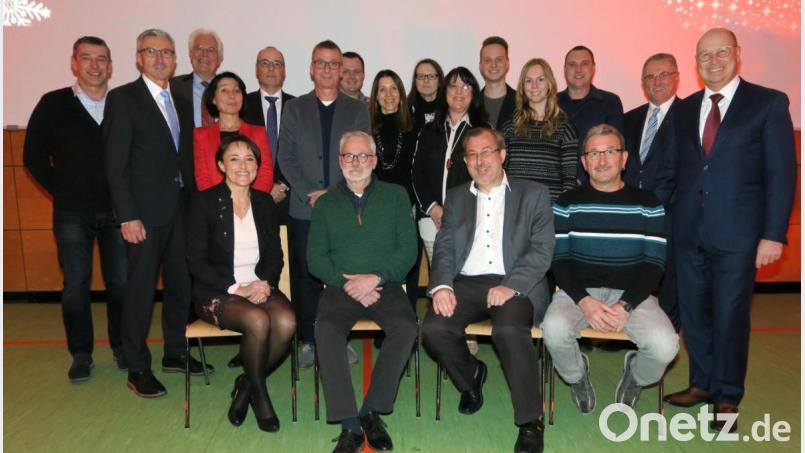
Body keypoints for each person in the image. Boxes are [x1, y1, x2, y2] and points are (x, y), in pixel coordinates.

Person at [659, 28, 796, 432]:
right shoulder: (684, 109)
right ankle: (701, 383)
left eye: (721, 52)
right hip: (688, 233)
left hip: (740, 237)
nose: (713, 61)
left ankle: (727, 395)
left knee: (730, 315)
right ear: (696, 62)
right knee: (693, 313)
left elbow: (781, 174)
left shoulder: (768, 103)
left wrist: (773, 234)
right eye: (705, 55)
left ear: (737, 53)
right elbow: (674, 172)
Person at [422, 127, 553, 453]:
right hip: (468, 282)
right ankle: (471, 376)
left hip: (515, 282)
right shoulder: (456, 197)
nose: (480, 161)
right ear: (465, 161)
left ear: (502, 155)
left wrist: (511, 286)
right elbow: (445, 247)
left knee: (508, 329)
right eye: (472, 155)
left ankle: (530, 420)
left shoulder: (533, 193)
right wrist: (442, 286)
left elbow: (542, 249)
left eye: (487, 152)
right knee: (435, 328)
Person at [542, 124, 678, 415]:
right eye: (594, 153)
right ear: (584, 161)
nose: (602, 160)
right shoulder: (566, 203)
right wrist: (585, 301)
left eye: (610, 152)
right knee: (553, 330)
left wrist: (625, 305)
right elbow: (558, 259)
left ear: (624, 158)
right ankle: (577, 375)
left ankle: (636, 375)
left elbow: (655, 263)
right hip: (578, 294)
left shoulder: (649, 203)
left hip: (633, 296)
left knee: (666, 346)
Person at [103, 28, 209, 398]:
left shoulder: (179, 98)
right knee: (141, 292)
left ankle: (175, 353)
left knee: (181, 286)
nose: (160, 58)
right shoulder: (123, 99)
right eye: (151, 52)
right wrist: (127, 216)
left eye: (166, 52)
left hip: (181, 209)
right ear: (138, 58)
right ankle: (137, 367)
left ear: (175, 59)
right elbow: (115, 164)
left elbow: (183, 155)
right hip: (143, 216)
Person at [23, 36, 127, 383]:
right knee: (76, 286)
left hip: (118, 211)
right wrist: (63, 191)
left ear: (110, 66)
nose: (94, 66)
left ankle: (122, 347)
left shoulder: (122, 103)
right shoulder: (53, 103)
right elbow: (33, 156)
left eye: (101, 59)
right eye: (86, 58)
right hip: (72, 213)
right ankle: (81, 354)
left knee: (121, 283)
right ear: (74, 63)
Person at [308, 131, 418, 453]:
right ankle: (349, 424)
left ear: (375, 160)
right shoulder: (325, 204)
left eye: (363, 156)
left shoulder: (396, 196)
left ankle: (371, 410)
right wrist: (349, 284)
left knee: (406, 327)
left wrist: (376, 278)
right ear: (340, 160)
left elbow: (408, 250)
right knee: (325, 328)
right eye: (349, 156)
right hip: (340, 286)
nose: (356, 162)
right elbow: (315, 259)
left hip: (385, 285)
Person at [186, 134, 296, 432]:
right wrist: (238, 288)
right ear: (221, 165)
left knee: (287, 322)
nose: (243, 166)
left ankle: (246, 383)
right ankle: (259, 396)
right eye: (234, 159)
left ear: (257, 166)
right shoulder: (203, 203)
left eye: (249, 159)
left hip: (258, 285)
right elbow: (196, 262)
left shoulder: (264, 202)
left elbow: (274, 254)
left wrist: (265, 283)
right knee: (258, 321)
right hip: (218, 290)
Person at [277, 40, 370, 369]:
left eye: (333, 63)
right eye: (321, 63)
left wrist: (333, 193)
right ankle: (309, 340)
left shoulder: (357, 110)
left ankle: (338, 338)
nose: (327, 69)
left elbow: (362, 157)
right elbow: (285, 157)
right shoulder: (294, 108)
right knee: (305, 274)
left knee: (341, 274)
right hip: (304, 208)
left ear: (341, 70)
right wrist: (309, 191)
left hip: (344, 206)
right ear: (311, 68)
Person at [623, 53, 681, 329]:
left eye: (663, 75)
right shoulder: (629, 118)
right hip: (631, 215)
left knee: (670, 281)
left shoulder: (690, 115)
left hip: (672, 216)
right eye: (650, 76)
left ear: (676, 77)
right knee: (630, 276)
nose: (657, 81)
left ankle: (666, 335)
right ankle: (626, 329)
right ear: (643, 82)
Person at [411, 66, 488, 263]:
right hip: (432, 219)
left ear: (474, 92)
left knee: (467, 275)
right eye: (453, 86)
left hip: (470, 219)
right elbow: (417, 173)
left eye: (465, 86)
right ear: (444, 91)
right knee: (438, 276)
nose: (458, 92)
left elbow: (488, 178)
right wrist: (432, 208)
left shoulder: (483, 131)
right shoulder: (429, 131)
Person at [369, 69, 420, 309]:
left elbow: (418, 170)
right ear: (375, 96)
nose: (388, 94)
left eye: (393, 89)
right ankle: (382, 311)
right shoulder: (367, 127)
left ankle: (408, 312)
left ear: (401, 93)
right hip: (375, 205)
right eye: (382, 89)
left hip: (407, 205)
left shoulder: (415, 127)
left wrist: (412, 204)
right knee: (380, 258)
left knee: (408, 259)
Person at [502, 58, 578, 201]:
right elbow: (501, 173)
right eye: (528, 81)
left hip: (550, 209)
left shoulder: (564, 127)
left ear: (549, 83)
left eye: (540, 79)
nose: (534, 86)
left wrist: (560, 209)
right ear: (522, 87)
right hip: (515, 206)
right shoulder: (510, 127)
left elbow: (569, 178)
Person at [193, 71, 273, 193]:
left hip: (253, 202)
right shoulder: (201, 135)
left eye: (236, 91)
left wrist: (249, 200)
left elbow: (265, 174)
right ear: (213, 99)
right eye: (224, 90)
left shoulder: (259, 133)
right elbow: (202, 177)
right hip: (215, 202)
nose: (232, 95)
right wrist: (219, 201)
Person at [242, 46, 295, 221]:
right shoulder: (242, 105)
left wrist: (284, 185)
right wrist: (263, 186)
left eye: (277, 64)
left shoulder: (298, 107)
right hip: (250, 195)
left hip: (290, 198)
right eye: (265, 63)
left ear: (284, 72)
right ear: (256, 70)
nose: (271, 68)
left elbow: (303, 153)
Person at [557, 45, 623, 181]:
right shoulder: (552, 103)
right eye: (572, 64)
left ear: (593, 68)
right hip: (557, 183)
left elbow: (615, 148)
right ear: (564, 69)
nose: (578, 70)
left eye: (584, 64)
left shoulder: (610, 102)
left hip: (597, 183)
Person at [170, 28, 223, 127]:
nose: (204, 54)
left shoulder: (232, 91)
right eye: (199, 48)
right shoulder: (172, 87)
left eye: (211, 50)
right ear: (190, 54)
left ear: (220, 59)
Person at [478, 36, 516, 130]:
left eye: (499, 59)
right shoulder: (471, 105)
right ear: (481, 66)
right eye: (487, 60)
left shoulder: (522, 103)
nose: (493, 65)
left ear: (507, 64)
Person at [407, 58, 444, 130]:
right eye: (421, 76)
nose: (426, 80)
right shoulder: (404, 112)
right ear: (415, 81)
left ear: (439, 81)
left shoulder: (449, 111)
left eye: (431, 76)